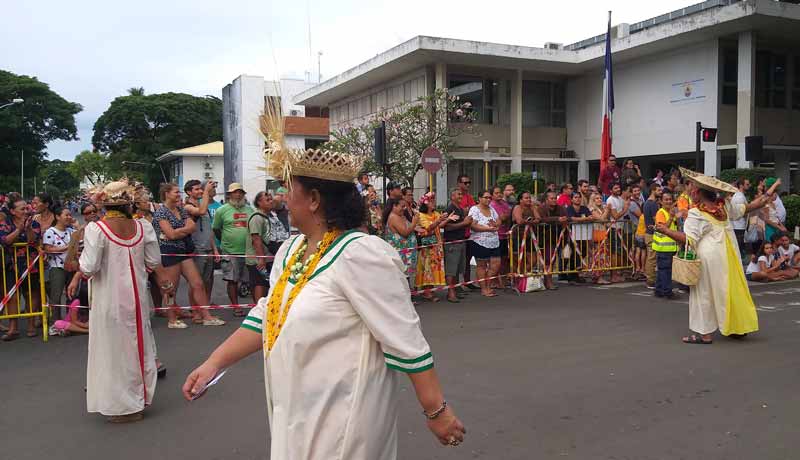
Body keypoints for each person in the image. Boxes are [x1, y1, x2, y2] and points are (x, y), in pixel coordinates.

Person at [183, 144, 465, 459]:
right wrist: (214, 363)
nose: (283, 198)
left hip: (344, 417)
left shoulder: (361, 253)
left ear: (315, 200)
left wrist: (435, 411)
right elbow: (268, 316)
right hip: (294, 409)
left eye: (289, 190)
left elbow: (405, 338)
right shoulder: (291, 251)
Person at [72, 180, 175, 423]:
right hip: (138, 299)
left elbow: (89, 266)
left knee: (112, 351)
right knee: (137, 346)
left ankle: (121, 407)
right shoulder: (143, 227)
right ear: (129, 203)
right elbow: (153, 262)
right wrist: (166, 284)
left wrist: (76, 263)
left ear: (104, 204)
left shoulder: (96, 230)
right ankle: (138, 401)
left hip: (109, 301)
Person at [655, 170, 781, 344]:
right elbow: (746, 208)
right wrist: (765, 198)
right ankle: (737, 328)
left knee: (703, 293)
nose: (691, 191)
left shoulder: (696, 213)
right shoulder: (724, 206)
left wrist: (666, 230)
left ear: (699, 193)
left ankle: (704, 334)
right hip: (728, 255)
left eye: (693, 189)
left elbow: (689, 240)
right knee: (729, 290)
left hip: (708, 257)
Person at [153, 183, 225, 329]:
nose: (179, 194)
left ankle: (207, 316)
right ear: (166, 194)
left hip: (184, 251)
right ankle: (172, 319)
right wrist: (183, 230)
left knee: (197, 283)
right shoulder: (161, 212)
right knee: (171, 288)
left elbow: (191, 227)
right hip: (169, 252)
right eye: (175, 192)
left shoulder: (180, 209)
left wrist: (179, 231)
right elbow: (171, 234)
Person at [0, 194, 42, 340]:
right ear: (12, 211)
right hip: (11, 264)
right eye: (22, 208)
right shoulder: (5, 223)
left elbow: (33, 240)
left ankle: (31, 324)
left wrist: (28, 227)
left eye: (26, 208)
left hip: (31, 264)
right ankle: (13, 328)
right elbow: (5, 241)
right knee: (12, 295)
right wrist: (19, 229)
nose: (25, 211)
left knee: (31, 293)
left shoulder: (34, 223)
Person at [212, 183, 254, 317]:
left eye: (240, 192)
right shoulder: (222, 210)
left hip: (248, 251)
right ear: (229, 195)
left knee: (251, 280)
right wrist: (225, 243)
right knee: (232, 280)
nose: (238, 194)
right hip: (230, 251)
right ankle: (235, 306)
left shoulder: (250, 210)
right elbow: (216, 229)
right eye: (235, 192)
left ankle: (255, 307)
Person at [184, 180, 221, 304]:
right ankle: (195, 310)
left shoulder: (202, 204)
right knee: (196, 282)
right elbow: (201, 211)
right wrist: (206, 191)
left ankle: (204, 306)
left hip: (208, 248)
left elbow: (208, 230)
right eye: (197, 189)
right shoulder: (188, 206)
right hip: (197, 249)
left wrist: (215, 249)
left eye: (201, 188)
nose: (200, 191)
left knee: (206, 280)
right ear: (189, 192)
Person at [42, 206, 75, 323]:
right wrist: (68, 246)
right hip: (57, 268)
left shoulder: (72, 231)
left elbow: (79, 245)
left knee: (72, 295)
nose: (69, 217)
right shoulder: (50, 232)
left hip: (72, 267)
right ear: (57, 217)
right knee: (56, 296)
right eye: (66, 215)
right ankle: (56, 323)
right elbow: (48, 249)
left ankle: (70, 321)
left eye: (70, 215)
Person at [415, 192, 450, 302]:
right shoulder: (421, 215)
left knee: (434, 267)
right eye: (431, 201)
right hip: (428, 247)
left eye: (433, 200)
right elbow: (429, 227)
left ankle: (430, 289)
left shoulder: (435, 213)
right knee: (427, 268)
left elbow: (439, 225)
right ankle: (426, 291)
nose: (433, 202)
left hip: (436, 244)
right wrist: (440, 220)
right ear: (425, 203)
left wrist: (447, 219)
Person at [468, 190, 501, 297]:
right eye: (486, 197)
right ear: (479, 198)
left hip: (494, 240)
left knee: (496, 264)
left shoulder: (492, 209)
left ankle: (488, 285)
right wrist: (487, 229)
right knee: (481, 265)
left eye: (489, 198)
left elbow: (498, 219)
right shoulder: (474, 209)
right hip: (479, 241)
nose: (488, 200)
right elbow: (473, 225)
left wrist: (495, 224)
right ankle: (484, 288)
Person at [443, 188, 473, 303]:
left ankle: (455, 290)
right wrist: (464, 223)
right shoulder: (450, 209)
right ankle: (450, 293)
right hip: (452, 243)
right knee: (451, 269)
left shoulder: (459, 209)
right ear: (452, 196)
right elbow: (447, 227)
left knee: (457, 269)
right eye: (458, 194)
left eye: (461, 194)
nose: (461, 196)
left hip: (461, 241)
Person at [383, 198, 420, 283]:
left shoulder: (401, 216)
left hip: (406, 254)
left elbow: (409, 227)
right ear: (394, 206)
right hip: (400, 254)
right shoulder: (393, 217)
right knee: (401, 278)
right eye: (402, 206)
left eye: (405, 206)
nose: (404, 208)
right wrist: (414, 223)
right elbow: (405, 232)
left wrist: (417, 227)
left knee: (405, 278)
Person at [246, 191, 274, 303]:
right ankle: (258, 309)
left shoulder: (267, 217)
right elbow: (256, 239)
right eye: (267, 200)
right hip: (257, 259)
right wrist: (261, 259)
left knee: (265, 283)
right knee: (259, 283)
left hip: (266, 256)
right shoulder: (256, 218)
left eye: (271, 199)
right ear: (259, 202)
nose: (271, 201)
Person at [538, 191, 567, 290]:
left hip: (557, 237)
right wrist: (557, 219)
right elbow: (542, 219)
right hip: (545, 237)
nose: (554, 200)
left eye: (555, 198)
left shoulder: (560, 208)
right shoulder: (541, 208)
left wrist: (563, 219)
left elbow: (565, 217)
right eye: (552, 198)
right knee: (548, 260)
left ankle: (548, 280)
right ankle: (548, 281)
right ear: (546, 200)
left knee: (552, 260)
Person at [652, 192, 678, 298]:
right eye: (666, 200)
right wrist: (671, 217)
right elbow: (663, 229)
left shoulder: (670, 212)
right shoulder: (661, 212)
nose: (668, 201)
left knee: (663, 269)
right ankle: (667, 291)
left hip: (670, 246)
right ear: (661, 201)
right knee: (665, 270)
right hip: (663, 247)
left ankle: (658, 290)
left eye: (670, 199)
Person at [565, 191, 593, 285]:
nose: (578, 199)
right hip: (572, 234)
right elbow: (572, 218)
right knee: (575, 253)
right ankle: (572, 276)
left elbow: (591, 216)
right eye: (576, 197)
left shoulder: (584, 208)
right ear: (572, 199)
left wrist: (586, 218)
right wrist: (584, 219)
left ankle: (576, 274)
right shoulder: (569, 208)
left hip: (584, 234)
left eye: (579, 197)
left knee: (583, 251)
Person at [605, 183, 630, 283]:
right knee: (614, 252)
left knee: (619, 252)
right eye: (615, 188)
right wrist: (625, 210)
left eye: (619, 187)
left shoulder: (620, 199)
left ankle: (617, 273)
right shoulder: (610, 200)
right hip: (613, 229)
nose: (618, 189)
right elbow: (615, 216)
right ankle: (613, 275)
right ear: (611, 190)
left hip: (620, 228)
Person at [457, 175, 478, 289]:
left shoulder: (469, 197)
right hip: (460, 232)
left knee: (468, 258)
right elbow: (462, 213)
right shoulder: (457, 197)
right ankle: (456, 285)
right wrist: (466, 211)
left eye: (469, 182)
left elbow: (473, 212)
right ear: (459, 184)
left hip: (469, 233)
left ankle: (467, 281)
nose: (468, 185)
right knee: (459, 260)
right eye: (465, 183)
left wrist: (467, 211)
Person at [489, 186, 512, 289]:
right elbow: (497, 219)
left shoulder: (504, 203)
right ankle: (493, 281)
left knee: (504, 259)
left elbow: (507, 216)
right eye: (496, 193)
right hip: (495, 235)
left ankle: (503, 280)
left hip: (505, 235)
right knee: (495, 260)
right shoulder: (491, 205)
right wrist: (502, 218)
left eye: (499, 192)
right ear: (492, 195)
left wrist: (504, 217)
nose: (499, 194)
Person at [588, 192, 611, 285]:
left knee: (603, 255)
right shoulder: (591, 208)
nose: (599, 200)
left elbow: (607, 220)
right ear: (593, 200)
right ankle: (598, 276)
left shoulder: (602, 208)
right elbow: (601, 219)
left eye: (600, 198)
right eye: (597, 198)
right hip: (595, 233)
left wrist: (606, 212)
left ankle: (598, 276)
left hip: (603, 232)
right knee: (597, 256)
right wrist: (607, 210)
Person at [730, 178, 751, 256]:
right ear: (741, 185)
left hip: (739, 225)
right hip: (738, 225)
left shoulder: (740, 195)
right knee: (739, 247)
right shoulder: (739, 197)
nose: (749, 186)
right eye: (747, 184)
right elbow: (741, 212)